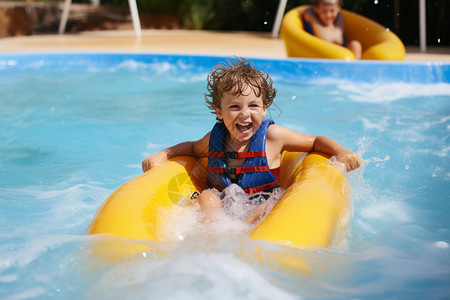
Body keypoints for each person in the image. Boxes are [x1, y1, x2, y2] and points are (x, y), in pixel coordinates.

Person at [142, 57, 361, 225]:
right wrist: (163, 154)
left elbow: (315, 142)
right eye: (235, 106)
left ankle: (237, 237)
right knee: (208, 197)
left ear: (265, 109)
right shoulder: (214, 140)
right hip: (225, 209)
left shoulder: (273, 137)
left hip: (260, 206)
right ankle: (214, 234)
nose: (245, 114)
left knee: (269, 206)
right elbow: (191, 148)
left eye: (253, 106)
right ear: (219, 112)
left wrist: (341, 151)